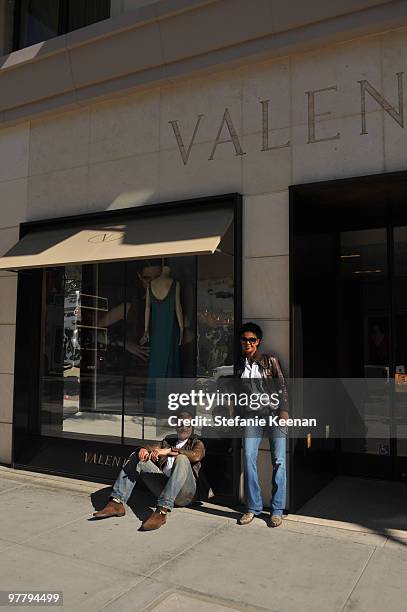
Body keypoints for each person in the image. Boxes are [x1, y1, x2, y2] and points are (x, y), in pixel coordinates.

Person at [92, 409, 210, 531]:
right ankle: (116, 502)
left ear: (192, 427)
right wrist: (143, 449)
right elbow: (152, 446)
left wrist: (169, 451)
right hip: (164, 488)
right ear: (176, 426)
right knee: (138, 456)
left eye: (188, 425)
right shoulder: (168, 440)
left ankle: (162, 511)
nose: (184, 428)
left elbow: (196, 455)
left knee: (181, 458)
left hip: (186, 494)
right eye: (180, 424)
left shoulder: (197, 443)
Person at [237, 322, 289, 528]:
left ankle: (276, 510)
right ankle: (253, 507)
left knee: (279, 461)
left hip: (274, 414)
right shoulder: (240, 364)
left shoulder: (270, 361)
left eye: (252, 340)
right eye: (244, 339)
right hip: (252, 417)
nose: (248, 343)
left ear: (258, 342)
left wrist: (284, 411)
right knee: (248, 456)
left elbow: (282, 386)